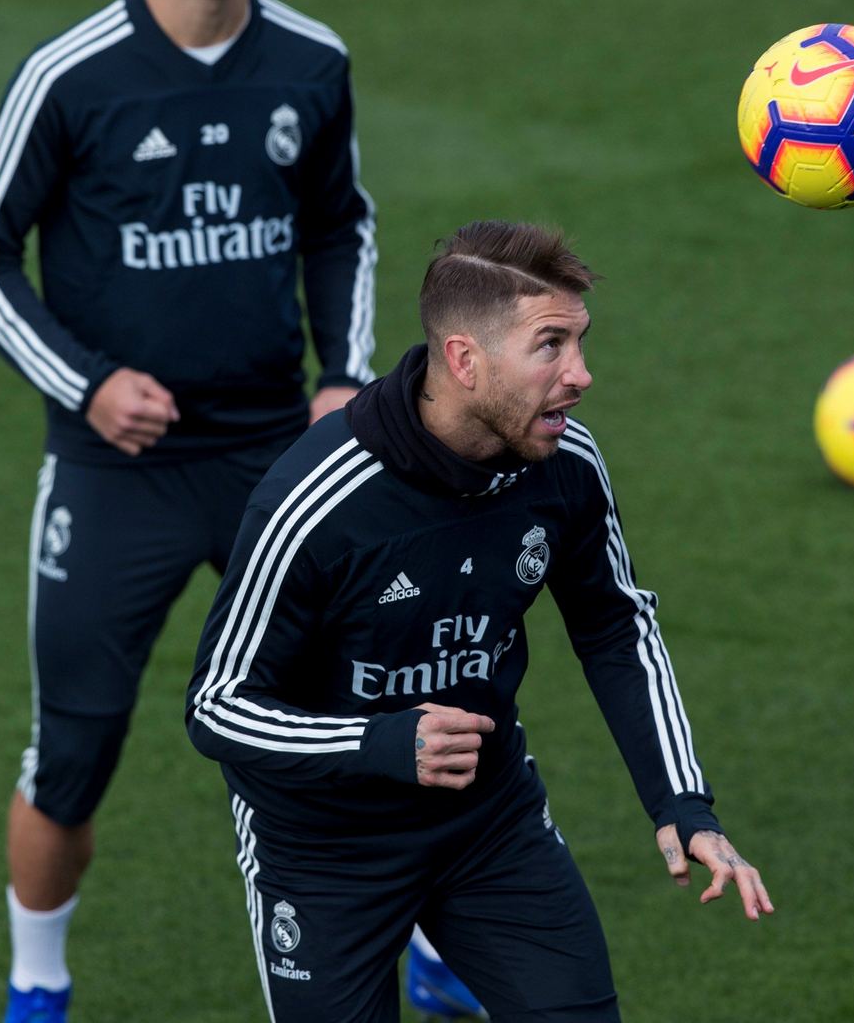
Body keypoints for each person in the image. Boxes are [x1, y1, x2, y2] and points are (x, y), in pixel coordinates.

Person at [0, 0, 376, 1023]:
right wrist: (88, 382)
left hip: (271, 463)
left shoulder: (312, 59)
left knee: (361, 719)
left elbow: (342, 221)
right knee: (73, 754)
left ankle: (413, 939)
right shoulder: (69, 77)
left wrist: (341, 382)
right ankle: (38, 984)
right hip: (114, 475)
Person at [187, 221, 772, 1022]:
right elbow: (217, 705)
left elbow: (616, 626)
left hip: (486, 824)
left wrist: (682, 803)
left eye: (580, 342)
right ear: (465, 359)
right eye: (551, 346)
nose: (582, 376)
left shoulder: (565, 464)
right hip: (325, 850)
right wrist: (381, 742)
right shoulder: (315, 504)